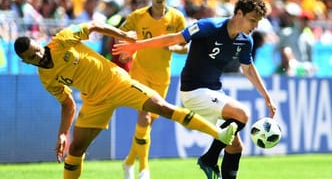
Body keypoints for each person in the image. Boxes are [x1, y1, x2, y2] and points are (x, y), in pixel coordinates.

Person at [13, 21, 237, 179]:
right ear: (25, 61)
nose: (39, 55)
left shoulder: (61, 41)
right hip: (94, 100)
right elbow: (67, 103)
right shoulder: (46, 78)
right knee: (76, 149)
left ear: (39, 44)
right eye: (32, 56)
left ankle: (218, 134)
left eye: (38, 49)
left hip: (116, 82)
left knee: (160, 107)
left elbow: (92, 25)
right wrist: (63, 132)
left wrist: (123, 36)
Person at [113, 0, 277, 179]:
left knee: (235, 147)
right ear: (239, 13)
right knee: (242, 114)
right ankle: (209, 158)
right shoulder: (208, 26)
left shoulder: (246, 41)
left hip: (213, 92)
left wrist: (267, 97)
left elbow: (248, 68)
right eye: (252, 20)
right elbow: (172, 39)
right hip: (193, 91)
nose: (255, 26)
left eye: (257, 22)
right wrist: (136, 46)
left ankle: (213, 161)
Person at [119, 0, 188, 179]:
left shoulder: (176, 18)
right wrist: (127, 42)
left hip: (162, 77)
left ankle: (129, 162)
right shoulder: (138, 16)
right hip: (140, 73)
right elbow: (120, 34)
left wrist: (173, 48)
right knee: (144, 116)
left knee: (147, 125)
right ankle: (144, 170)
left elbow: (187, 46)